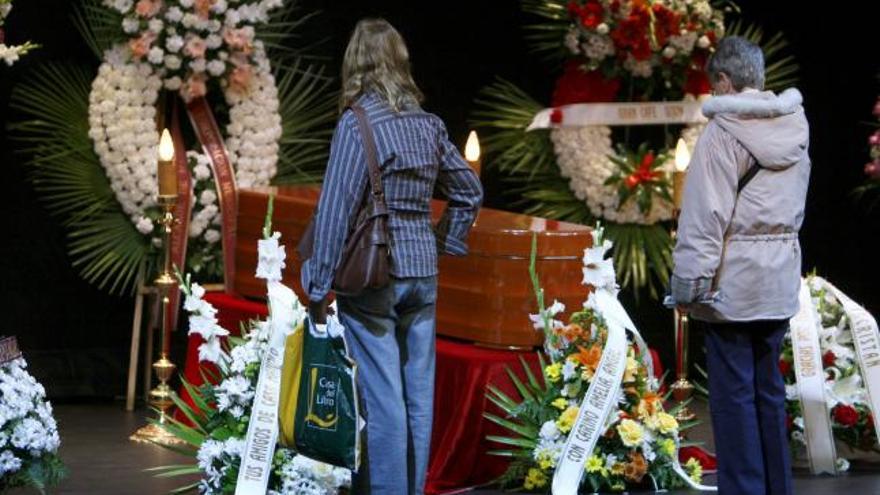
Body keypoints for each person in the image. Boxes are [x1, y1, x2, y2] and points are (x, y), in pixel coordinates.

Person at [300, 18, 483, 495]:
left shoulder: (357, 124)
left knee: (384, 401)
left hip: (376, 276)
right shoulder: (429, 124)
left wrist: (316, 286)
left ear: (354, 64)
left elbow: (336, 209)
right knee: (418, 398)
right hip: (423, 273)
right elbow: (468, 191)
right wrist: (443, 241)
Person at [668, 36, 810, 495]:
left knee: (732, 398)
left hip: (733, 285)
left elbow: (705, 217)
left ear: (726, 81)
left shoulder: (722, 132)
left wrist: (690, 285)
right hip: (778, 279)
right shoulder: (796, 126)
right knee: (769, 394)